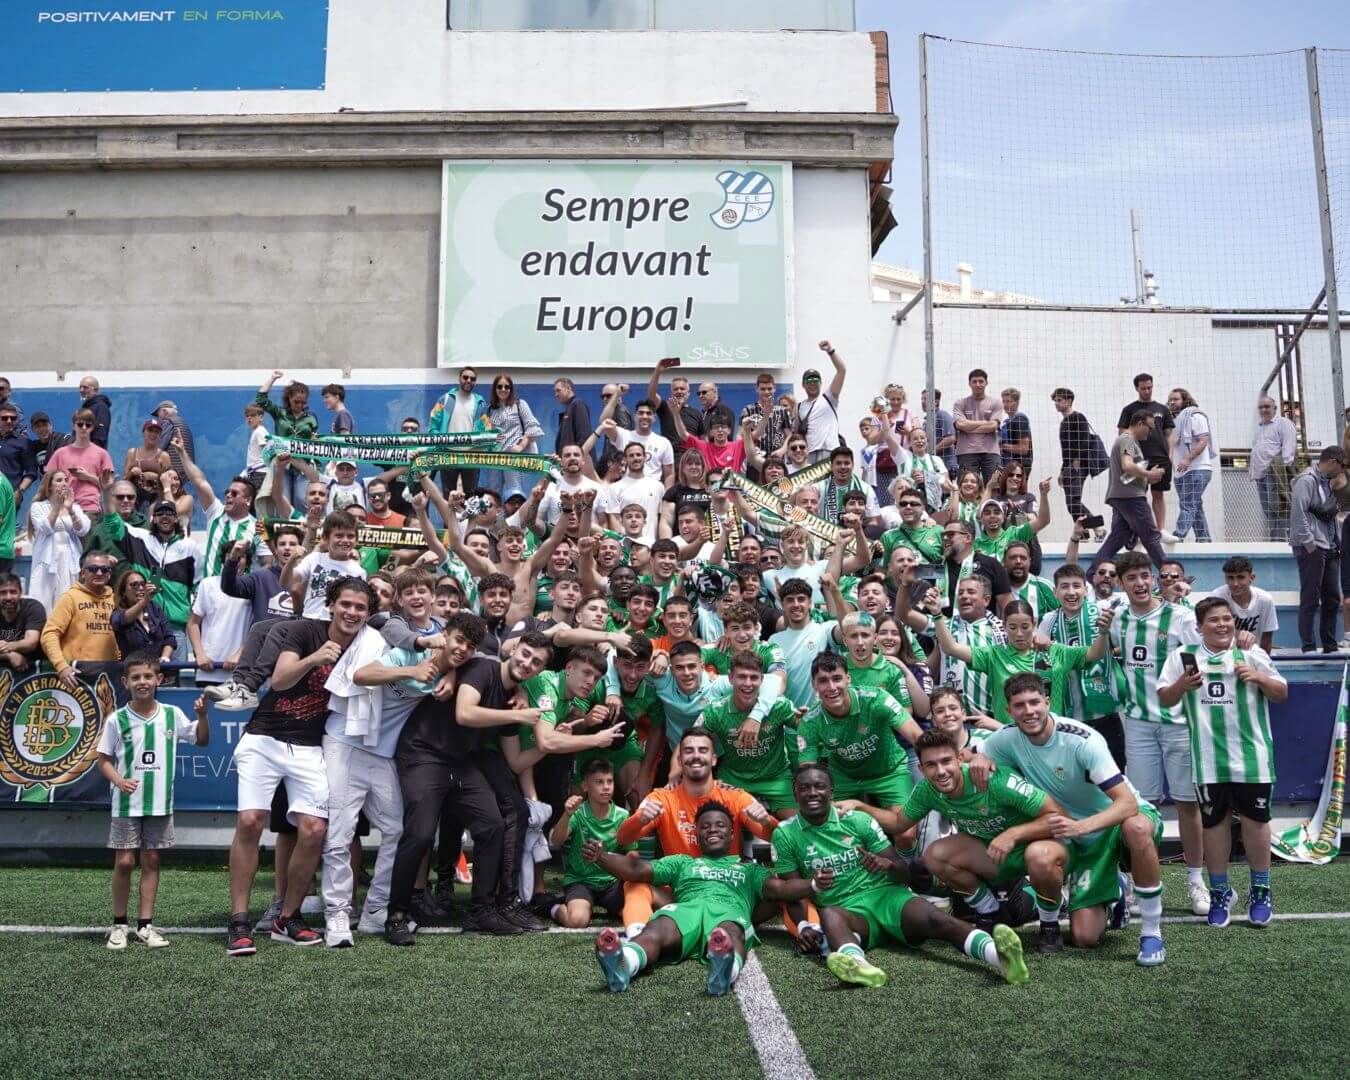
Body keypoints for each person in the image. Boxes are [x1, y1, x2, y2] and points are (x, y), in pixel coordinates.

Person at [774, 762, 1028, 989]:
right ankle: (860, 967)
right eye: (804, 788)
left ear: (832, 791)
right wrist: (809, 905)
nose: (812, 793)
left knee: (940, 921)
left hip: (887, 897)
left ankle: (1000, 957)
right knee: (830, 914)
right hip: (847, 911)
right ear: (794, 793)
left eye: (819, 786)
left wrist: (887, 865)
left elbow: (904, 874)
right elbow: (791, 890)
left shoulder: (858, 820)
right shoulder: (785, 833)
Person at [225, 576, 377, 956]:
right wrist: (315, 658)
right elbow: (278, 681)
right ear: (331, 605)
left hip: (310, 748)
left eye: (360, 607)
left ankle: (288, 918)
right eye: (345, 604)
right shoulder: (304, 631)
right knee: (250, 821)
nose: (352, 612)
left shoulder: (367, 644)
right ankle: (239, 921)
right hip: (265, 737)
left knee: (314, 829)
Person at [972, 675, 1167, 966]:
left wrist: (1080, 827)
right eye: (1020, 705)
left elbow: (1126, 803)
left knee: (1136, 828)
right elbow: (968, 753)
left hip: (1116, 821)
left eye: (1035, 702)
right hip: (1074, 836)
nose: (1029, 711)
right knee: (1085, 938)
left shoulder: (1082, 740)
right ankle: (1115, 889)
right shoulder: (1005, 738)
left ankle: (1151, 933)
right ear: (1008, 710)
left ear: (1047, 702)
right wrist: (978, 758)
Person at [590, 801, 827, 996]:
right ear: (697, 834)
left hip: (729, 912)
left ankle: (724, 973)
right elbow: (637, 870)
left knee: (729, 932)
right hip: (687, 910)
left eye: (720, 825)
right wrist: (601, 857)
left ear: (731, 833)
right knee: (657, 927)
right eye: (705, 826)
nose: (712, 829)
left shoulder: (749, 869)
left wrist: (813, 884)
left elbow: (781, 889)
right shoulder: (682, 862)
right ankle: (624, 964)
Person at [1158, 597, 1288, 928]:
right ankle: (1219, 892)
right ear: (1199, 626)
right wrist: (1182, 685)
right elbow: (1164, 698)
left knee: (1255, 822)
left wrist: (1259, 678)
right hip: (1208, 760)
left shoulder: (1250, 652)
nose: (1222, 625)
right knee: (1214, 825)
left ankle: (1260, 892)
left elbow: (1281, 692)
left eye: (1227, 619)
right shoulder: (1184, 657)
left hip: (1252, 758)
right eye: (1214, 620)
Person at [1104, 551, 1209, 915]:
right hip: (1137, 723)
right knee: (1141, 808)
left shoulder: (1179, 617)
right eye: (1131, 578)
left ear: (1153, 578)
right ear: (1121, 583)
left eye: (1144, 576)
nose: (1139, 583)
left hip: (1179, 722)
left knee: (1187, 804)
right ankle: (1140, 884)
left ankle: (1196, 881)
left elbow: (1202, 657)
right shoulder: (1116, 618)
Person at [96, 654, 209, 950]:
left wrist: (202, 716)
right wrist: (119, 780)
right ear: (125, 682)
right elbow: (103, 760)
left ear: (159, 679)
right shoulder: (117, 719)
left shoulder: (172, 714)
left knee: (152, 860)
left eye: (148, 676)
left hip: (160, 803)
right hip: (126, 804)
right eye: (136, 677)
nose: (142, 682)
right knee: (124, 861)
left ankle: (145, 925)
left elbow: (201, 740)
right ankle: (119, 924)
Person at [796, 654, 924, 848]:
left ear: (848, 678)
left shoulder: (877, 698)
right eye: (823, 681)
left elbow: (917, 736)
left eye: (837, 678)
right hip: (844, 777)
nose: (831, 687)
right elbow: (807, 772)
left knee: (906, 835)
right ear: (814, 685)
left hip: (889, 770)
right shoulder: (810, 721)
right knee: (836, 833)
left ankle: (905, 866)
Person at [926, 596, 1107, 727]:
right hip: (1009, 739)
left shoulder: (1056, 652)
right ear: (1004, 626)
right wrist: (936, 614)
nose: (1019, 633)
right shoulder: (993, 655)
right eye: (1012, 627)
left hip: (1051, 736)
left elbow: (1095, 654)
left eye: (1025, 626)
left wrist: (1104, 632)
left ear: (1034, 623)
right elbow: (950, 648)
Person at [1038, 563, 1125, 768]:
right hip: (1068, 716)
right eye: (1064, 586)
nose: (1071, 592)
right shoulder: (1049, 621)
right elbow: (1041, 660)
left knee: (1114, 772)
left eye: (1076, 586)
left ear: (1086, 590)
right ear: (1055, 592)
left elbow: (1123, 644)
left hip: (1105, 712)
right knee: (1077, 776)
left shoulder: (1104, 612)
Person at [697, 651, 799, 816]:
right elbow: (690, 740)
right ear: (731, 678)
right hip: (733, 779)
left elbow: (807, 728)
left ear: (762, 679)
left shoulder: (779, 706)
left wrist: (806, 719)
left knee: (798, 825)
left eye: (754, 677)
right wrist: (674, 773)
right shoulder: (716, 711)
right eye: (742, 677)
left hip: (776, 779)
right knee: (716, 820)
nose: (748, 683)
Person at [544, 759, 634, 928]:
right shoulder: (577, 813)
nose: (606, 787)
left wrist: (617, 862)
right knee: (577, 920)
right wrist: (567, 814)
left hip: (612, 883)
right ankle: (552, 907)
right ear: (585, 786)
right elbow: (555, 841)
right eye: (599, 782)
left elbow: (632, 853)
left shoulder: (623, 816)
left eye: (609, 781)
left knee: (633, 914)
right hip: (581, 880)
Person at [1092, 408, 1167, 571]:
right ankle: (1170, 573)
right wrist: (1149, 474)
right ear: (1140, 423)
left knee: (1117, 538)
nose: (1151, 432)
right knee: (1151, 536)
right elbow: (1127, 466)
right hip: (1131, 498)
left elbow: (1127, 473)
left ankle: (1093, 574)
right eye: (1149, 428)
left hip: (1122, 497)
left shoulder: (1127, 440)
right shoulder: (1128, 440)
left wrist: (1147, 476)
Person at [1289, 446, 1346, 653]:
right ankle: (1308, 646)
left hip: (1329, 546)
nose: (1342, 470)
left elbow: (1327, 516)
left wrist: (1335, 542)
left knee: (1332, 598)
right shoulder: (1307, 480)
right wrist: (1310, 544)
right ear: (1332, 461)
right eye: (1342, 465)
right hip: (1312, 547)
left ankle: (1329, 645)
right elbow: (1298, 514)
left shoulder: (1325, 483)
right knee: (1310, 597)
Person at [41, 550, 120, 690]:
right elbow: (49, 634)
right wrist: (61, 666)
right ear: (83, 573)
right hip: (77, 677)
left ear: (109, 574)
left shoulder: (116, 600)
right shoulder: (70, 597)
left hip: (110, 676)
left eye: (104, 569)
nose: (99, 573)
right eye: (93, 569)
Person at [25, 468, 91, 611]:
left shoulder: (75, 507)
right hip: (46, 561)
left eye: (66, 480)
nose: (64, 483)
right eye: (59, 480)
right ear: (49, 486)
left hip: (69, 559)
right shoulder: (38, 506)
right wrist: (56, 506)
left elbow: (83, 530)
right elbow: (45, 528)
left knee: (67, 601)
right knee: (43, 601)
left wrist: (71, 510)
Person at [1116, 373, 1174, 536]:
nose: (1147, 391)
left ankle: (1161, 529)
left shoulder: (1162, 409)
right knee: (1137, 495)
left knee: (1158, 494)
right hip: (1138, 459)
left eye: (1150, 387)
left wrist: (1170, 455)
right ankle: (1138, 531)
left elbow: (1169, 433)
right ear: (1137, 388)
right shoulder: (1129, 410)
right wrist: (1129, 456)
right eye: (1143, 388)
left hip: (1160, 457)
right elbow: (1122, 433)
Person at [482, 373, 545, 497]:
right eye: (499, 386)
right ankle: (496, 511)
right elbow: (486, 434)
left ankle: (515, 511)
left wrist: (520, 446)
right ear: (495, 389)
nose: (503, 389)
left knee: (514, 491)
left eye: (507, 386)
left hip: (513, 456)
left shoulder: (519, 404)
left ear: (511, 389)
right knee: (492, 492)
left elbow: (532, 427)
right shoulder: (490, 409)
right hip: (494, 457)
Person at [428, 366, 488, 493]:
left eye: (472, 379)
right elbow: (433, 423)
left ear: (475, 382)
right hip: (448, 454)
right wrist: (439, 441)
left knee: (470, 495)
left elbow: (485, 429)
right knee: (449, 494)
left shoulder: (480, 403)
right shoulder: (445, 399)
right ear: (459, 378)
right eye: (465, 377)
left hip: (471, 456)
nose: (468, 380)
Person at [1168, 387, 1217, 543]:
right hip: (1180, 472)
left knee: (1188, 504)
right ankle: (1204, 540)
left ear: (1185, 400)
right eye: (1170, 400)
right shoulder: (1174, 422)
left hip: (1197, 469)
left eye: (1175, 399)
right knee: (1195, 506)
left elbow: (1203, 440)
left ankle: (1178, 536)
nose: (1172, 402)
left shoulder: (1195, 416)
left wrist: (1188, 459)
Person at [46, 408, 115, 517]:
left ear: (92, 427)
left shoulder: (102, 454)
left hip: (90, 510)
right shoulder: (60, 453)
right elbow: (47, 482)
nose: (84, 428)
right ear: (74, 426)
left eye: (88, 425)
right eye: (80, 424)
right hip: (63, 510)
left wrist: (88, 477)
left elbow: (110, 487)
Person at [1249, 396, 1297, 541]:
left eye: (1267, 407)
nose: (1263, 410)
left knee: (1280, 508)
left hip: (1275, 472)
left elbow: (1289, 448)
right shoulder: (1259, 427)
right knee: (1268, 511)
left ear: (1275, 408)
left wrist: (1282, 470)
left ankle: (1284, 542)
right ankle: (1276, 541)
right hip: (1260, 475)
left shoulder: (1283, 423)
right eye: (1261, 407)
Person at [1209, 556, 1278, 653]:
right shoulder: (1217, 597)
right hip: (1223, 653)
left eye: (1240, 577)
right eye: (1230, 578)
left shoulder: (1265, 600)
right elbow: (1210, 632)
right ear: (1225, 579)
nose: (1235, 583)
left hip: (1253, 653)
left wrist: (1264, 660)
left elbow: (1267, 639)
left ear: (1251, 578)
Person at [110, 570, 177, 664]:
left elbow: (169, 637)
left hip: (161, 668)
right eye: (134, 585)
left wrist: (165, 657)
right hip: (135, 669)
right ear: (123, 592)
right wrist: (145, 600)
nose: (141, 588)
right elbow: (121, 620)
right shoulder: (118, 613)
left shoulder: (154, 608)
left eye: (143, 584)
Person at [796, 340, 848, 463]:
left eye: (816, 380)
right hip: (809, 454)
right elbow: (797, 433)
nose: (812, 383)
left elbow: (842, 370)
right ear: (803, 385)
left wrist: (830, 351)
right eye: (809, 381)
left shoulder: (829, 397)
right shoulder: (799, 406)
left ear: (820, 383)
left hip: (830, 451)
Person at [952, 369, 1002, 485]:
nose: (978, 384)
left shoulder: (996, 403)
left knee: (994, 487)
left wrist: (968, 426)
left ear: (986, 383)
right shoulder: (960, 403)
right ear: (969, 383)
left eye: (981, 381)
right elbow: (960, 425)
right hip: (966, 452)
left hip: (990, 451)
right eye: (974, 381)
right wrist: (985, 423)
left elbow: (993, 426)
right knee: (967, 487)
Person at [124, 419, 171, 514]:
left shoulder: (164, 456)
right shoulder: (132, 453)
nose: (153, 434)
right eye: (150, 430)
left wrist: (153, 476)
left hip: (156, 498)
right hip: (135, 498)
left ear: (160, 436)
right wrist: (132, 472)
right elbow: (125, 479)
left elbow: (169, 481)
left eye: (156, 432)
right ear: (143, 432)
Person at [0, 571, 45, 672]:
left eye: (13, 592)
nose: (8, 597)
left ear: (20, 593)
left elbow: (31, 642)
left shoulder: (33, 608)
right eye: (3, 593)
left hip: (32, 669)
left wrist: (6, 646)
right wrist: (9, 655)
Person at [0, 404, 37, 513]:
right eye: (4, 418)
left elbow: (31, 472)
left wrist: (19, 492)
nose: (9, 421)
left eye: (13, 418)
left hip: (9, 497)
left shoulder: (24, 443)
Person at [552, 377, 592, 457]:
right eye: (555, 392)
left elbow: (583, 436)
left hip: (579, 462)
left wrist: (577, 457)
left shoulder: (577, 404)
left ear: (568, 388)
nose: (556, 395)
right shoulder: (570, 407)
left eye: (558, 390)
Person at [922, 388, 958, 475]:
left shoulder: (942, 415)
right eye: (922, 399)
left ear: (936, 402)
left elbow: (951, 438)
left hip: (946, 466)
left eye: (925, 399)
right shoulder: (926, 420)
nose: (922, 402)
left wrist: (932, 452)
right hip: (934, 467)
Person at [997, 387, 1032, 473]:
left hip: (1019, 468)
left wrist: (1001, 447)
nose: (1005, 405)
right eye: (1003, 401)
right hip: (1008, 467)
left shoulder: (1020, 419)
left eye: (1008, 401)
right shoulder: (1007, 422)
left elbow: (1024, 449)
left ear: (1017, 402)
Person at [77, 375, 112, 449]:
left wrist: (93, 453)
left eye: (85, 387)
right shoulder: (87, 407)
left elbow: (100, 435)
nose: (81, 390)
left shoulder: (101, 407)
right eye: (80, 387)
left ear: (96, 390)